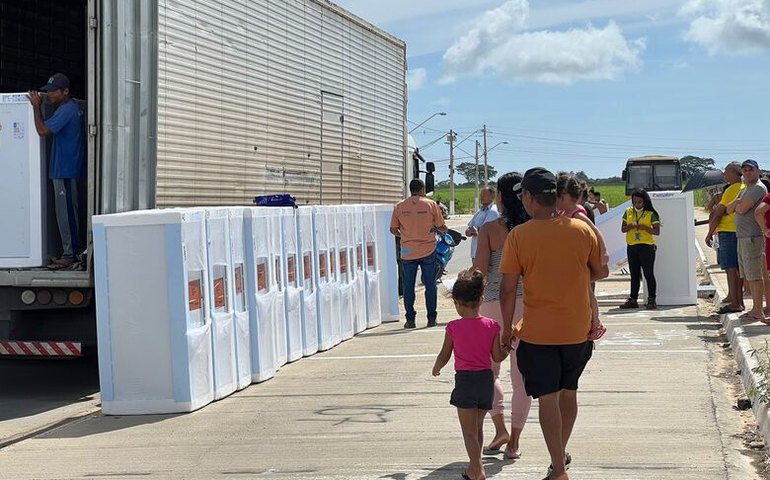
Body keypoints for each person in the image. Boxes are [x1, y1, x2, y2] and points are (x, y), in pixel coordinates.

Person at [499, 167, 608, 480]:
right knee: (569, 392)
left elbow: (507, 288)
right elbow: (600, 271)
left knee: (547, 398)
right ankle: (560, 454)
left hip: (538, 332)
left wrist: (507, 329)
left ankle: (559, 468)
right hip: (578, 328)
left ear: (531, 198)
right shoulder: (581, 229)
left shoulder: (518, 236)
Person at [472, 172, 532, 460]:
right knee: (522, 377)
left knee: (490, 369)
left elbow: (480, 271)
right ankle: (515, 442)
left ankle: (500, 428)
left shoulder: (490, 229)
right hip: (528, 306)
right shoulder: (533, 229)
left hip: (493, 303)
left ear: (501, 197)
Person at [432, 268, 509, 480]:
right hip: (485, 380)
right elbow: (497, 357)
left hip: (465, 381)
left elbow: (445, 354)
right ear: (481, 299)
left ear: (456, 302)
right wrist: (507, 348)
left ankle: (476, 469)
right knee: (477, 427)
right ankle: (476, 467)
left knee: (468, 432)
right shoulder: (491, 325)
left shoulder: (453, 327)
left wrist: (437, 367)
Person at [27, 73, 85, 269]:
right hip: (64, 170)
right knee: (65, 213)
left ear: (65, 91)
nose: (49, 94)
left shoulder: (67, 110)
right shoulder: (70, 108)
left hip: (66, 171)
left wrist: (36, 107)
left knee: (67, 214)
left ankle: (71, 254)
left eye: (53, 91)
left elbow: (43, 131)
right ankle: (71, 252)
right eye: (48, 91)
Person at [390, 179, 448, 329]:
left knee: (408, 286)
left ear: (410, 189)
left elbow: (393, 229)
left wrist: (404, 235)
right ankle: (431, 318)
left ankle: (410, 320)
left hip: (407, 251)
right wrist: (442, 230)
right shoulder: (431, 204)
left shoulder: (399, 206)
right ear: (422, 189)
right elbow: (441, 226)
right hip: (428, 249)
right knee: (430, 284)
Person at [556, 173, 607, 338]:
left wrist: (603, 251)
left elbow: (595, 230)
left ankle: (596, 322)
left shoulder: (577, 214)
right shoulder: (564, 211)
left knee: (587, 292)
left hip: (580, 259)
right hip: (571, 258)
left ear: (563, 197)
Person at [727, 159, 768, 322]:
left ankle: (758, 310)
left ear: (758, 171)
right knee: (748, 275)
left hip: (753, 237)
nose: (747, 172)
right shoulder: (745, 189)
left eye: (751, 169)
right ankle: (755, 308)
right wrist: (737, 203)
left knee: (755, 274)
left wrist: (737, 204)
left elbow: (741, 209)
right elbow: (729, 209)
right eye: (744, 170)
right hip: (742, 237)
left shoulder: (757, 188)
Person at [705, 162, 744, 314]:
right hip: (739, 230)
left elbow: (719, 213)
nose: (724, 175)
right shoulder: (742, 188)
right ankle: (737, 300)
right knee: (738, 268)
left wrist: (709, 233)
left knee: (730, 268)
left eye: (727, 172)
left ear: (734, 173)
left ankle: (735, 302)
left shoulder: (731, 189)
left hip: (728, 231)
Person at [618, 189, 661, 310]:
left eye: (639, 202)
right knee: (634, 275)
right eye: (635, 202)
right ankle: (633, 299)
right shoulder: (628, 212)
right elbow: (623, 229)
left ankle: (652, 300)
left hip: (646, 246)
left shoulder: (651, 214)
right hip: (632, 246)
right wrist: (629, 227)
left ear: (645, 202)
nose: (637, 204)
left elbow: (657, 231)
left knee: (648, 274)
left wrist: (645, 228)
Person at [466, 187, 499, 261]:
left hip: (486, 254)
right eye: (481, 194)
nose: (481, 196)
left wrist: (476, 230)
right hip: (475, 252)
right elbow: (469, 229)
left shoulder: (493, 211)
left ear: (492, 197)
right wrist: (469, 231)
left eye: (484, 194)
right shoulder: (479, 211)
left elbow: (488, 230)